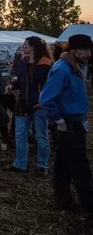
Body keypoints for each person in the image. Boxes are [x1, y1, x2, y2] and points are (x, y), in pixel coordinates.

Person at [40, 34, 93, 218]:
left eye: (89, 50)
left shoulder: (74, 66)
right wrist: (59, 121)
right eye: (83, 50)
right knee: (81, 168)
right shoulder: (63, 69)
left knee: (63, 165)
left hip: (74, 122)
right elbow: (46, 98)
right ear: (72, 50)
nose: (87, 54)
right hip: (69, 125)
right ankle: (89, 208)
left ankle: (63, 202)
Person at [7, 37, 52, 175]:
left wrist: (45, 101)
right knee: (20, 134)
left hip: (39, 105)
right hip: (23, 103)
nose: (22, 46)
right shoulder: (23, 62)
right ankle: (20, 164)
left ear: (33, 47)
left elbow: (51, 86)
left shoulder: (47, 64)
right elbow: (21, 82)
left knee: (41, 136)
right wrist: (12, 85)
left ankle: (42, 165)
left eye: (25, 44)